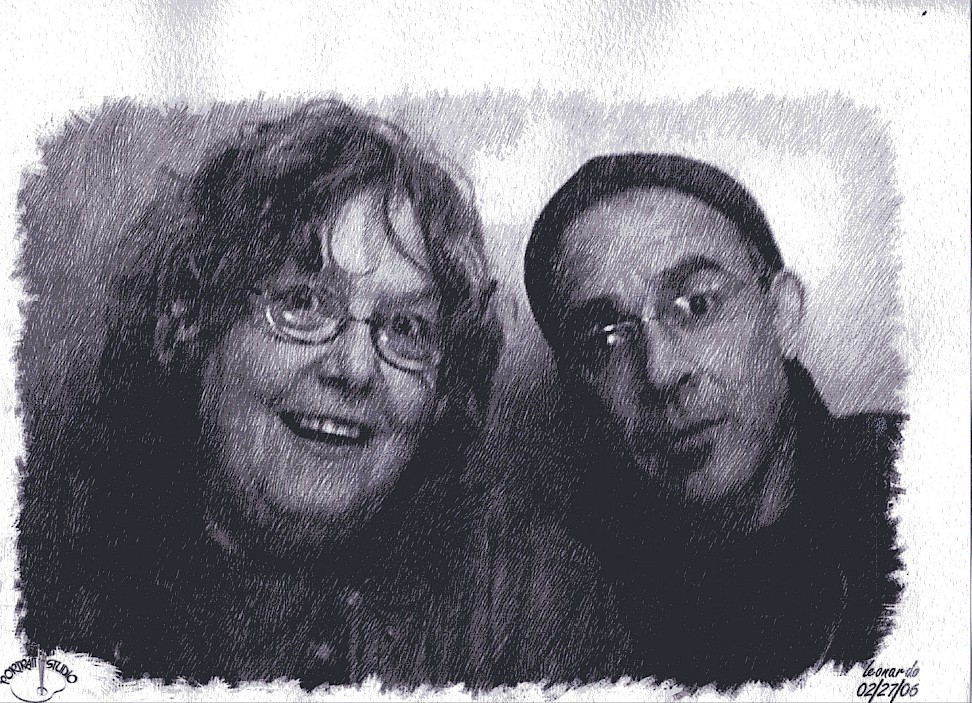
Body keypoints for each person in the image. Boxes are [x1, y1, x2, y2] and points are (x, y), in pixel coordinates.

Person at [16, 101, 501, 688]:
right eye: (302, 302)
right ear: (192, 324)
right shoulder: (35, 569)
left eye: (407, 327)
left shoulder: (497, 608)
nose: (354, 369)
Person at [514, 152, 904, 687]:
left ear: (781, 313)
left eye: (697, 305)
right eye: (606, 339)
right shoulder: (560, 602)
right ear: (576, 390)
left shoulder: (925, 490)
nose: (660, 371)